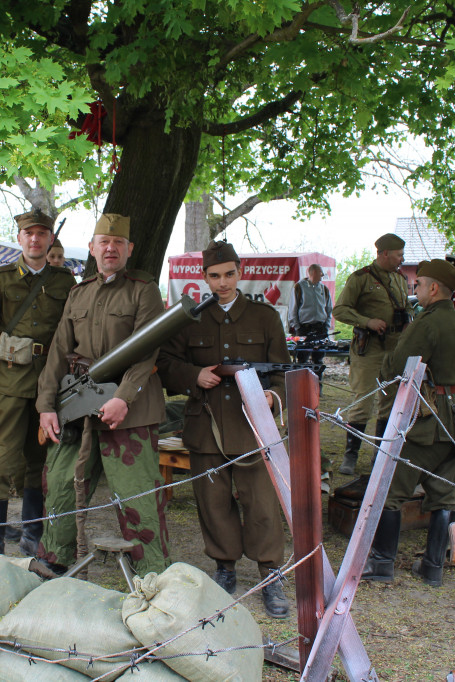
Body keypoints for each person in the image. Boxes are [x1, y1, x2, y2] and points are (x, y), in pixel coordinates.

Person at [157, 240, 291, 619]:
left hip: (252, 425)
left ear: (239, 271)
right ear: (204, 278)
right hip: (206, 425)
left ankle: (270, 573)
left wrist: (270, 395)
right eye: (214, 276)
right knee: (213, 502)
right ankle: (225, 567)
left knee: (262, 503)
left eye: (229, 274)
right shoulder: (191, 318)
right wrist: (193, 374)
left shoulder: (265, 318)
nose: (222, 283)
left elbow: (282, 370)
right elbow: (166, 362)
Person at [36, 213, 169, 576]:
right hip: (77, 403)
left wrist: (123, 398)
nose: (110, 248)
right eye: (103, 242)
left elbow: (147, 350)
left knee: (136, 492)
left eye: (118, 243)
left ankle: (151, 573)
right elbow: (58, 351)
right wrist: (46, 406)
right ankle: (54, 559)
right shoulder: (79, 293)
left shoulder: (143, 290)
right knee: (60, 482)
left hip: (131, 408)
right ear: (93, 248)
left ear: (129, 250)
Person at [361, 259, 455, 587]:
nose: (414, 290)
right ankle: (433, 567)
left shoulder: (425, 323)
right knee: (443, 494)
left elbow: (394, 368)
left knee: (391, 492)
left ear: (433, 289)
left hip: (423, 421)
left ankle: (381, 563)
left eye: (418, 284)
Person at [0, 209, 75, 555]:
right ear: (19, 238)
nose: (35, 239)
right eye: (29, 233)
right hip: (8, 386)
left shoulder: (64, 282)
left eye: (42, 233)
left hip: (49, 385)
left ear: (50, 239)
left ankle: (33, 538)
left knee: (38, 463)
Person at [332, 233, 413, 475]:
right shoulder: (361, 278)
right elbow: (340, 310)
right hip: (369, 349)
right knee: (362, 402)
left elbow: (406, 306)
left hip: (395, 348)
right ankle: (351, 455)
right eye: (398, 255)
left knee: (389, 404)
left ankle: (380, 455)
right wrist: (367, 321)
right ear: (384, 253)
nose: (402, 259)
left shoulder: (400, 278)